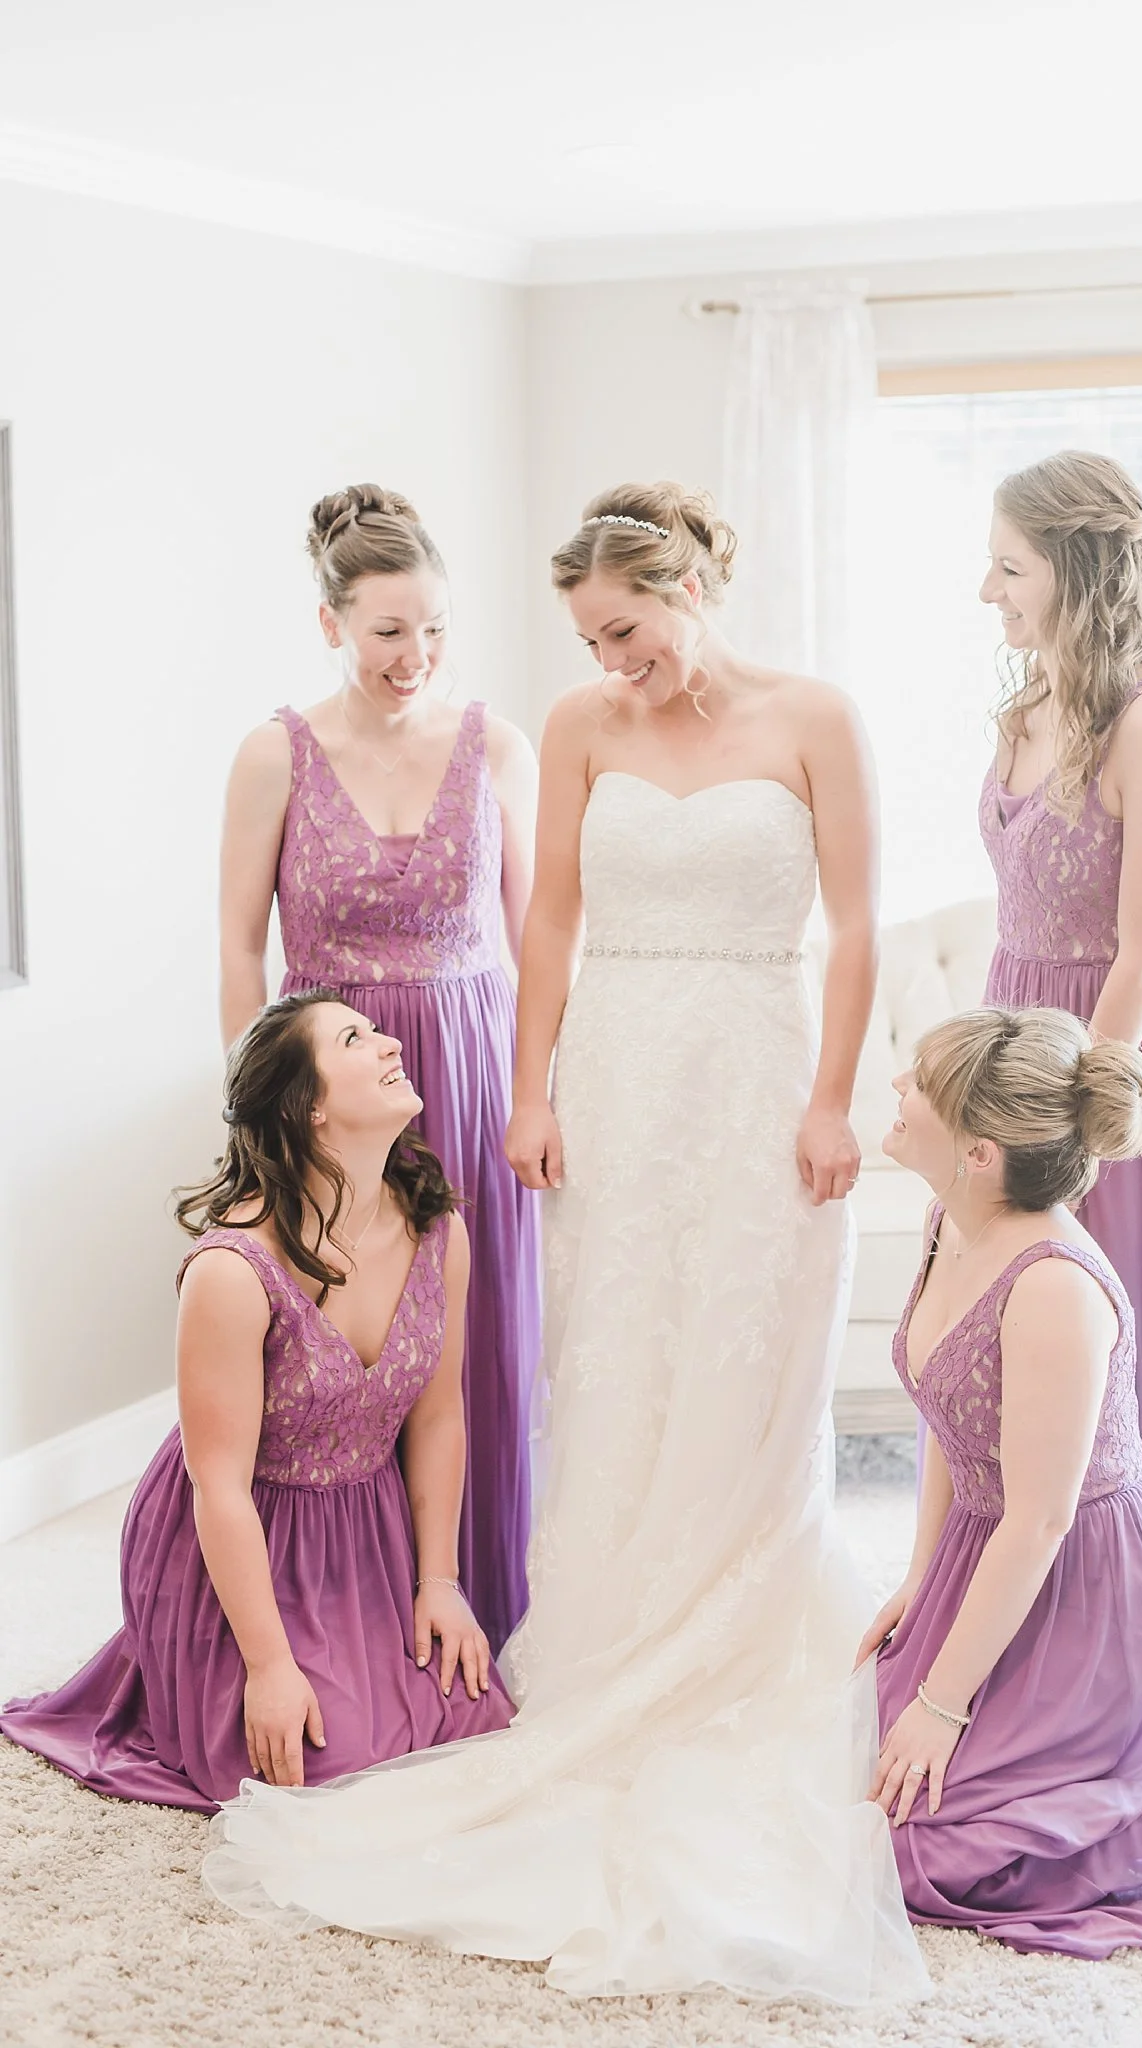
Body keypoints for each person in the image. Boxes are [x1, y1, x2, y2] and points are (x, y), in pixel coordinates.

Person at [196, 482, 928, 2007]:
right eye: (589, 640)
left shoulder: (816, 717)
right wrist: (528, 1089)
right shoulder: (582, 726)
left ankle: (733, 1629)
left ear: (687, 590)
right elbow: (544, 926)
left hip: (756, 1062)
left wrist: (831, 1099)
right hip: (613, 1073)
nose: (610, 660)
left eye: (625, 628)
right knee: (608, 1357)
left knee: (750, 1353)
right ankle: (601, 1634)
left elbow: (857, 927)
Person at [860, 1006, 1142, 1953]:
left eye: (920, 1083)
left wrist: (942, 1705)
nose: (897, 1086)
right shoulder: (951, 1220)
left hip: (1090, 1607)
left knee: (919, 1858)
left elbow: (1039, 1521)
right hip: (989, 1565)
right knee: (854, 1792)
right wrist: (919, 1577)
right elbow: (948, 1412)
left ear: (979, 1152)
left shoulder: (1053, 1286)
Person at [0, 993, 514, 1810]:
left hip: (368, 1537)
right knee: (326, 1770)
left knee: (472, 1718)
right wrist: (270, 1667)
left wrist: (440, 1582)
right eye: (355, 1038)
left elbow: (438, 1414)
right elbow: (219, 1487)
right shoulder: (232, 1271)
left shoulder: (435, 1229)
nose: (389, 1043)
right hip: (241, 1545)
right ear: (309, 1107)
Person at [219, 485, 539, 1654]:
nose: (416, 655)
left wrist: (542, 1093)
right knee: (337, 1351)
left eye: (436, 628)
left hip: (471, 1070)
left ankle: (476, 1598)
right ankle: (340, 1619)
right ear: (331, 623)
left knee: (473, 1345)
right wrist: (257, 1120)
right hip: (334, 1088)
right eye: (389, 630)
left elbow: (539, 939)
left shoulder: (497, 747)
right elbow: (236, 949)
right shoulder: (275, 754)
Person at [977, 450, 1142, 1749]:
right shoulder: (1022, 704)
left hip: (1103, 1069)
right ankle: (1015, 1646)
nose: (985, 591)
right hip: (1013, 1034)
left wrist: (1067, 1118)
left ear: (1073, 573)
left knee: (1111, 1362)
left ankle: (1141, 1669)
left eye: (1007, 568)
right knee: (1003, 1355)